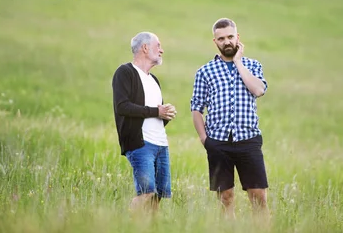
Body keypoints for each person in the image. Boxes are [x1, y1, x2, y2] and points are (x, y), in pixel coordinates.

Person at [190, 18, 269, 218]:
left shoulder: (253, 65)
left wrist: (238, 62)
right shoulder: (205, 71)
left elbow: (258, 90)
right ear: (215, 42)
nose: (227, 42)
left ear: (238, 38)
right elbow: (196, 107)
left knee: (259, 197)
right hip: (218, 142)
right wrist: (204, 139)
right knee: (225, 198)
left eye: (230, 37)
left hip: (248, 140)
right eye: (222, 38)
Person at [112, 32, 177, 212]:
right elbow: (122, 107)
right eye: (158, 46)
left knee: (156, 197)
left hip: (161, 145)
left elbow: (153, 115)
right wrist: (157, 111)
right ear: (145, 48)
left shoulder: (154, 80)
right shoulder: (125, 73)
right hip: (141, 144)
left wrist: (165, 115)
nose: (161, 50)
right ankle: (127, 225)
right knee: (146, 193)